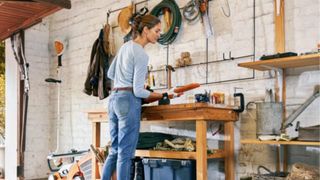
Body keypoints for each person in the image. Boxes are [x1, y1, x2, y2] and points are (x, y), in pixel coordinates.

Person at [101, 14, 180, 180]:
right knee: (125, 153)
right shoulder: (141, 54)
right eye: (157, 31)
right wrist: (163, 94)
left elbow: (110, 73)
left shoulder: (125, 47)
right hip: (128, 101)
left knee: (115, 149)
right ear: (145, 30)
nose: (159, 34)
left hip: (114, 98)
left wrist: (125, 81)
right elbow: (138, 91)